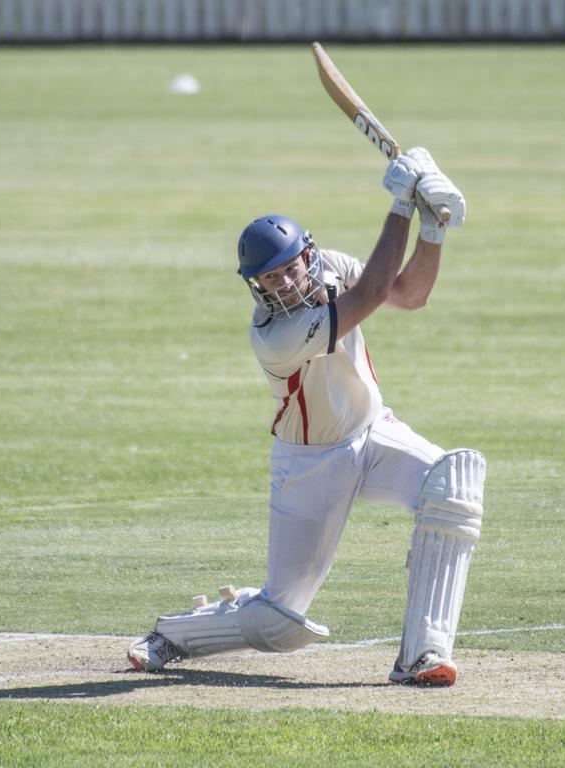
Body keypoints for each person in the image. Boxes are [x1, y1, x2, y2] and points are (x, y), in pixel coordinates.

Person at [128, 148, 486, 687]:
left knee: (452, 484)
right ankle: (175, 634)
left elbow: (409, 295)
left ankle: (423, 656)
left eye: (290, 268)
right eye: (269, 279)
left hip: (374, 434)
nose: (285, 284)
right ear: (256, 286)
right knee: (279, 623)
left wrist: (433, 226)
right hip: (310, 464)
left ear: (308, 255)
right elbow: (368, 296)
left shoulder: (333, 267)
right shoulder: (275, 336)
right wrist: (400, 203)